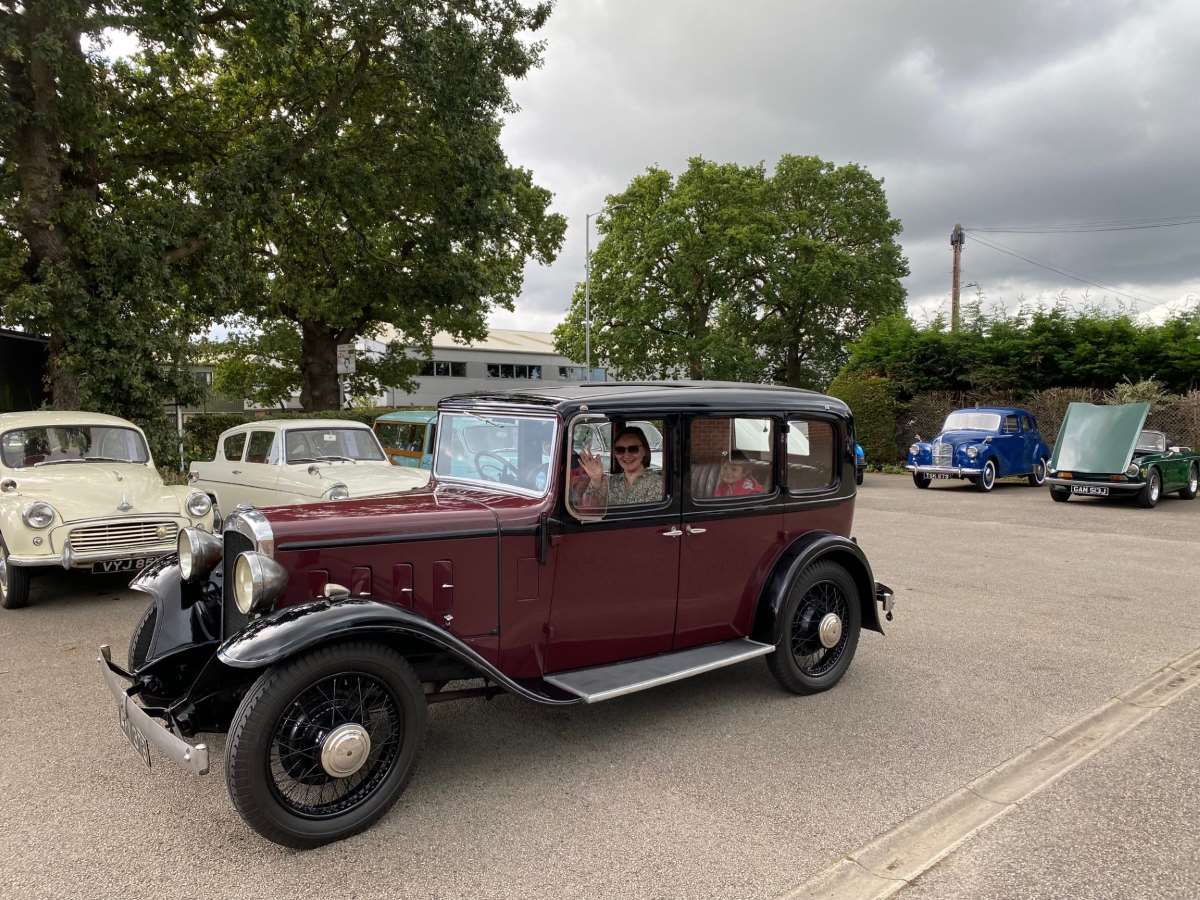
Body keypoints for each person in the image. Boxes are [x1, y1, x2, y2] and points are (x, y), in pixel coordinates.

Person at [578, 426, 663, 508]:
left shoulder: (657, 482)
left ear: (644, 451)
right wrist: (595, 479)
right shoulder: (609, 482)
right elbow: (588, 509)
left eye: (633, 449)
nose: (626, 455)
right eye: (620, 450)